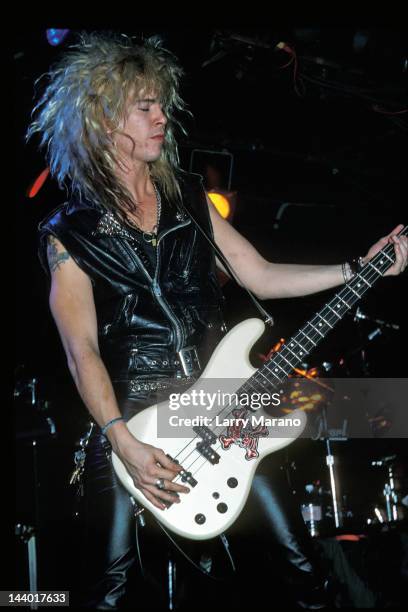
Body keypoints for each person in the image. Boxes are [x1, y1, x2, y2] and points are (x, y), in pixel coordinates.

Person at [27, 32, 407, 609]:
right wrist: (120, 438)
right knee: (110, 590)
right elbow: (82, 350)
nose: (162, 118)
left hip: (224, 405)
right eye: (145, 106)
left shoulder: (187, 199)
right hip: (131, 417)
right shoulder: (68, 232)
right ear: (104, 118)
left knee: (300, 564)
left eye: (163, 105)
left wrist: (359, 266)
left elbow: (259, 274)